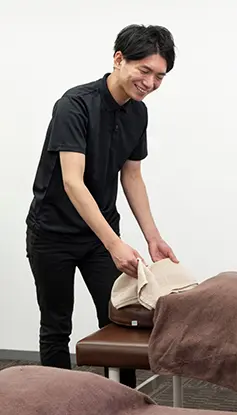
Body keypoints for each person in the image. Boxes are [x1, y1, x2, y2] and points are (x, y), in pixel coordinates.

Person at [25, 24, 179, 388]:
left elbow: (132, 177)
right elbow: (72, 182)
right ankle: (57, 403)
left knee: (118, 322)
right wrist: (115, 244)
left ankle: (125, 404)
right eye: (145, 71)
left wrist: (153, 238)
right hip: (52, 233)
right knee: (56, 324)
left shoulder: (138, 113)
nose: (150, 83)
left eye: (160, 76)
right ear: (119, 59)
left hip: (100, 233)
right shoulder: (74, 105)